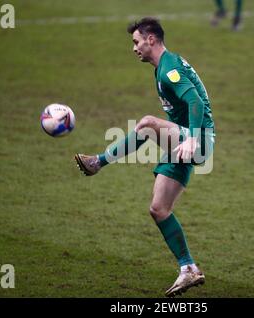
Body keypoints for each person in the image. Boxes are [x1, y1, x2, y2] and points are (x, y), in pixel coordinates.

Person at [74, 17, 215, 297]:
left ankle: (98, 162)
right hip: (184, 142)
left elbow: (196, 102)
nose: (134, 48)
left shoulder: (169, 69)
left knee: (148, 124)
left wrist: (191, 139)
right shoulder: (163, 67)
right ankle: (188, 269)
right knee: (158, 209)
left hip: (196, 140)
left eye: (136, 41)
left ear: (151, 39)